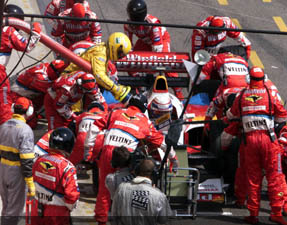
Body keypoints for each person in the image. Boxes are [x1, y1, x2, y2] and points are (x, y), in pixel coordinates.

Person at [87, 94, 178, 225]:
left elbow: (94, 127)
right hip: (126, 157)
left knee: (104, 190)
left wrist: (87, 149)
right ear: (144, 108)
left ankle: (101, 221)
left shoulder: (115, 112)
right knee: (131, 189)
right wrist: (174, 159)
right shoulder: (145, 121)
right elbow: (162, 143)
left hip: (108, 153)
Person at [223, 67, 287, 225]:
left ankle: (253, 214)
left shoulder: (241, 95)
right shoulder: (271, 94)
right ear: (264, 79)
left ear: (248, 79)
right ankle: (276, 212)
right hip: (269, 140)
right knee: (275, 176)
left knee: (253, 178)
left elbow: (231, 115)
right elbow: (283, 116)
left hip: (250, 141)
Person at [124, 0, 183, 99]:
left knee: (166, 62)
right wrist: (133, 60)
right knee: (129, 60)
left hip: (161, 40)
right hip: (144, 41)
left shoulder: (153, 23)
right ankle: (136, 85)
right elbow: (128, 46)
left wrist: (147, 67)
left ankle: (178, 93)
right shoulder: (127, 25)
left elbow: (157, 49)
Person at [64, 32, 133, 103]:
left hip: (77, 82)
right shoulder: (101, 53)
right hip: (70, 83)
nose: (120, 57)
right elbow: (99, 76)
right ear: (115, 47)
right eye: (120, 53)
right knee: (76, 110)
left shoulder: (103, 51)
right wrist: (117, 90)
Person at [1, 4, 41, 125]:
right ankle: (6, 129)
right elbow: (26, 46)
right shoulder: (8, 30)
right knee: (4, 102)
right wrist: (36, 32)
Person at [31, 127, 80, 225]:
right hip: (57, 213)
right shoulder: (67, 167)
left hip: (37, 208)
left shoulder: (38, 161)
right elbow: (72, 196)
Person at [0, 97, 35, 225]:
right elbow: (26, 160)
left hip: (2, 169)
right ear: (29, 111)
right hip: (16, 172)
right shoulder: (25, 130)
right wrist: (30, 182)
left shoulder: (3, 126)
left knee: (6, 205)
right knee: (14, 209)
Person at [112, 159, 174, 225]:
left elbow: (114, 215)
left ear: (136, 171)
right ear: (153, 175)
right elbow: (164, 221)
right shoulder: (159, 196)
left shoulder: (121, 188)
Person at [11, 60, 67, 128]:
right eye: (59, 73)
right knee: (32, 123)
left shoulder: (46, 66)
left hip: (30, 92)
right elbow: (53, 90)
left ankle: (35, 112)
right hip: (17, 96)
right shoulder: (40, 77)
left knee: (44, 96)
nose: (60, 75)